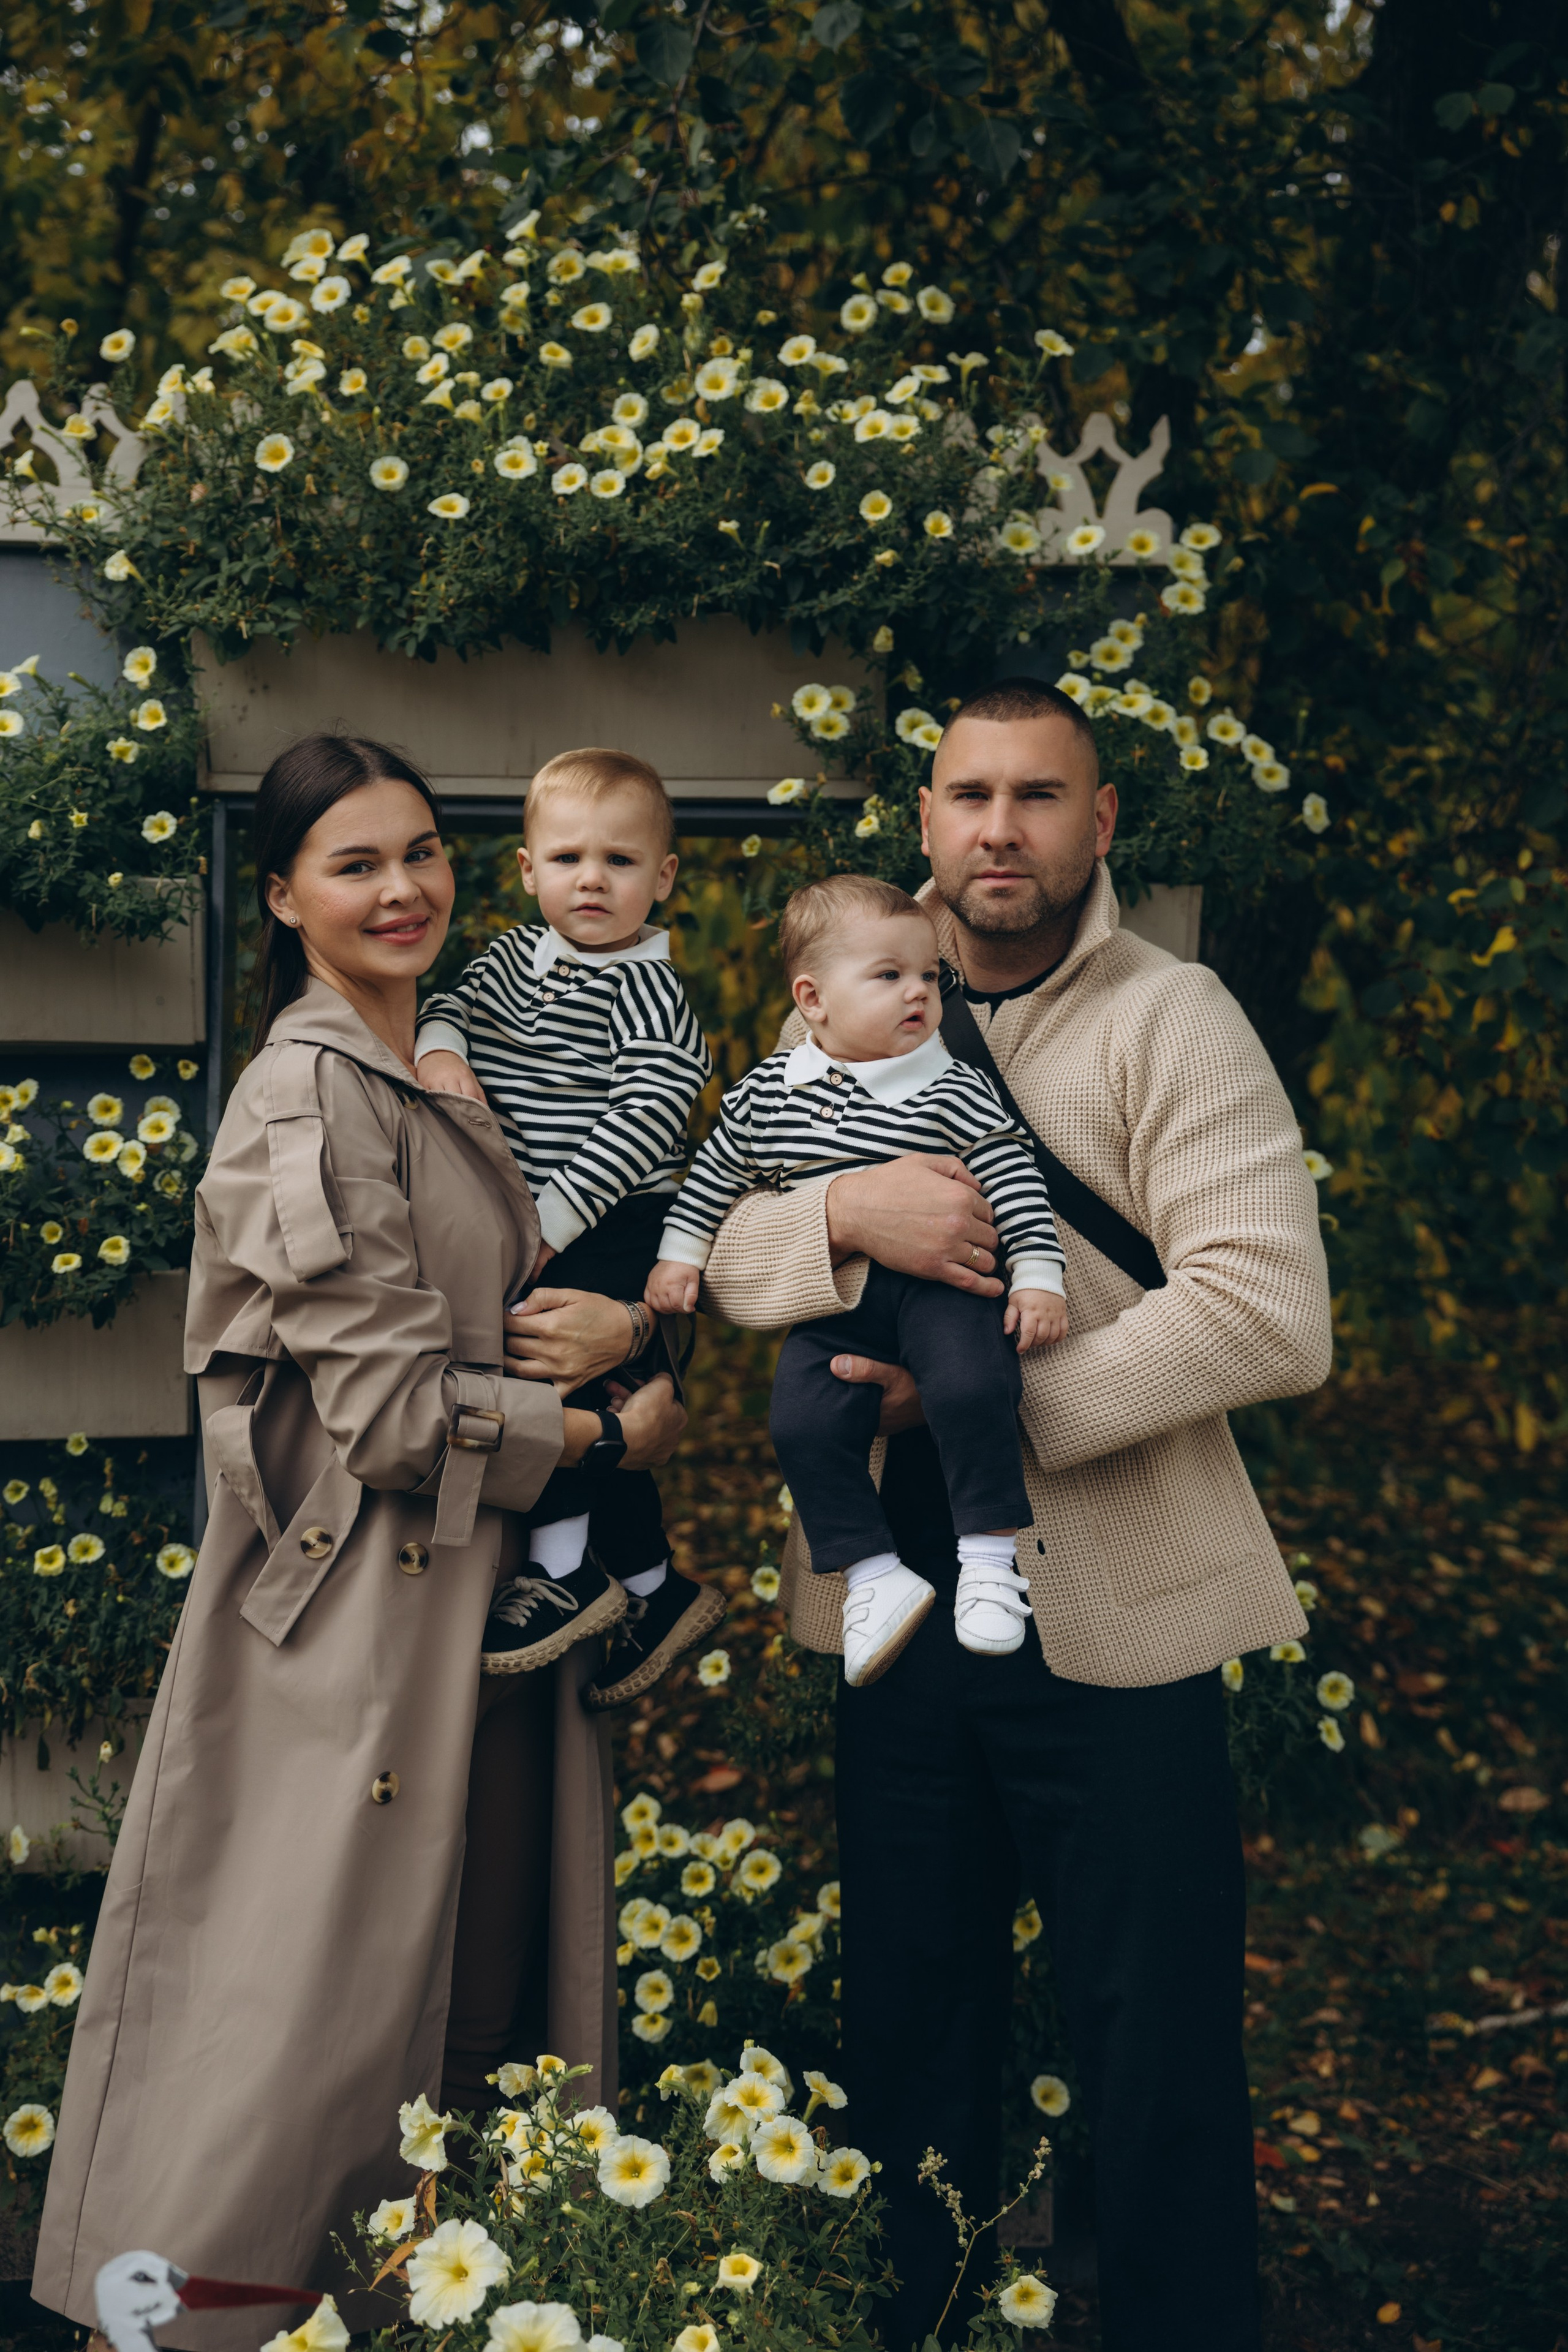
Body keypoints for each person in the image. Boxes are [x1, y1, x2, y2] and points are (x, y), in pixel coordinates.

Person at [698, 677, 1333, 2352]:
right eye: (969, 797)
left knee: (1161, 2047)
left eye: (1038, 797)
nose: (1000, 830)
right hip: (899, 1612)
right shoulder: (842, 1020)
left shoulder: (1172, 1018)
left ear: (1099, 823)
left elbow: (1270, 1310)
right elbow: (741, 1251)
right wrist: (853, 1206)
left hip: (1120, 1614)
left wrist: (983, 1403)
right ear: (924, 825)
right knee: (912, 2032)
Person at [31, 734, 687, 2351]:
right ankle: (174, 2324)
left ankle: (423, 2321)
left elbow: (556, 1278)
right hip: (355, 1640)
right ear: (282, 896)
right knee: (296, 2037)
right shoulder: (305, 1092)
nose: (402, 890)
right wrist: (605, 1436)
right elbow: (396, 1416)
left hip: (490, 1610)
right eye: (353, 864)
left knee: (474, 2024)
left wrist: (627, 1337)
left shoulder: (454, 1064)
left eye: (420, 854)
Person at [649, 873, 1067, 1684]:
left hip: (945, 1294)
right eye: (888, 977)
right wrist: (679, 1254)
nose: (918, 993)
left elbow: (1012, 1176)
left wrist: (1038, 1276)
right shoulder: (766, 1095)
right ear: (813, 999)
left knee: (973, 1385)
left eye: (926, 977)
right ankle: (874, 1575)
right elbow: (715, 1181)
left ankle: (987, 1560)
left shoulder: (951, 1086)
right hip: (834, 1302)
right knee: (801, 1427)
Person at [414, 747, 722, 1709]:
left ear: (662, 878)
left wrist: (549, 1225)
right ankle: (649, 1588)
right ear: (527, 869)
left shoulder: (651, 992)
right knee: (580, 1388)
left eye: (622, 862)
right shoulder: (507, 957)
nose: (593, 879)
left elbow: (648, 1114)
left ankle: (562, 1570)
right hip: (538, 1215)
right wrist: (439, 1051)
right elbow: (446, 1003)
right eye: (569, 858)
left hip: (615, 1215)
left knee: (552, 1370)